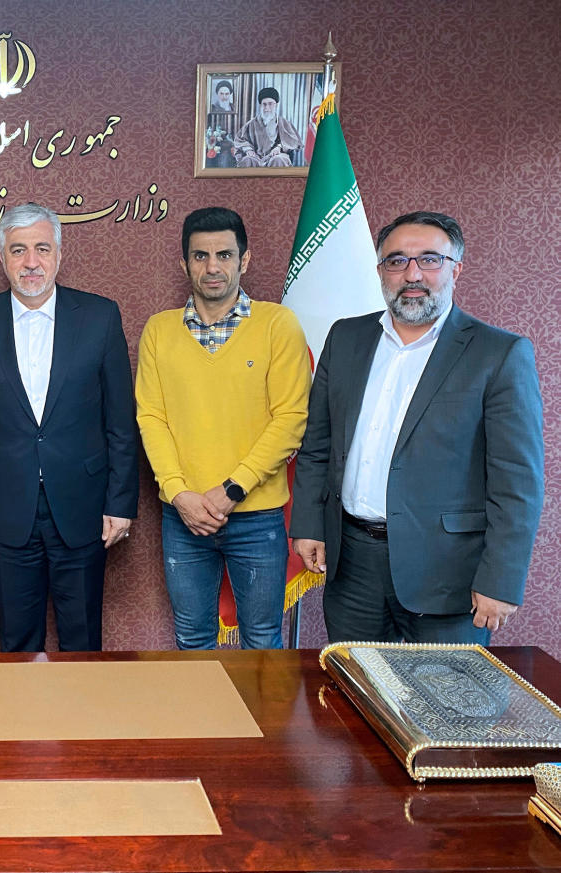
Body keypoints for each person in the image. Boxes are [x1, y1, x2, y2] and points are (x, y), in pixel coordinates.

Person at [290, 211, 544, 644]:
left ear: (455, 268)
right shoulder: (346, 338)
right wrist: (310, 523)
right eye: (397, 261)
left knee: (447, 705)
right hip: (352, 563)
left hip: (449, 573)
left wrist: (500, 580)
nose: (412, 274)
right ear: (380, 271)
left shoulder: (499, 354)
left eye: (429, 260)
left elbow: (517, 482)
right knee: (357, 695)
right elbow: (318, 444)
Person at [0, 202, 138, 652]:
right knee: (17, 641)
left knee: (83, 640)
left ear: (58, 254)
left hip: (85, 507)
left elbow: (120, 422)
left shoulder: (100, 317)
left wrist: (121, 501)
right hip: (5, 509)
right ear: (3, 258)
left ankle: (84, 723)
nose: (31, 262)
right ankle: (21, 723)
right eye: (18, 250)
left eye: (41, 249)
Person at [135, 207, 310, 649]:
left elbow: (290, 420)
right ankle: (202, 722)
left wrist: (231, 490)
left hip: (257, 516)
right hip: (184, 517)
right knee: (192, 637)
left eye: (224, 255)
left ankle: (258, 723)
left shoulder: (277, 325)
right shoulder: (159, 331)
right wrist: (180, 494)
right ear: (184, 264)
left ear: (244, 260)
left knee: (262, 637)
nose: (212, 267)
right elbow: (150, 417)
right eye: (200, 256)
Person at [232, 86, 304, 168]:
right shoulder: (251, 124)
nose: (267, 108)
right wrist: (248, 149)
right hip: (256, 157)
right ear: (260, 105)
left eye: (270, 104)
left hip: (276, 155)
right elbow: (240, 140)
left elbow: (293, 140)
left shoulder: (283, 123)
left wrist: (279, 147)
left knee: (279, 159)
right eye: (264, 104)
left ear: (276, 105)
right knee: (247, 160)